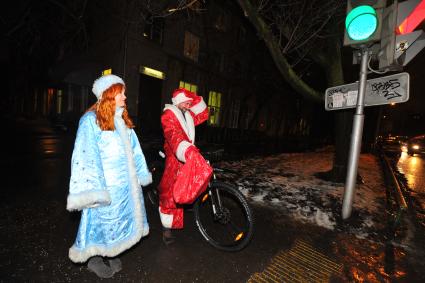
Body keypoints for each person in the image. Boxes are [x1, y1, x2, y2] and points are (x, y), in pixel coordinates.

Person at [66, 74, 152, 278]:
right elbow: (85, 157)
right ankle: (95, 258)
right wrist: (94, 190)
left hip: (125, 185)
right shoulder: (90, 121)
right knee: (98, 222)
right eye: (120, 93)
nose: (124, 97)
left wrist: (140, 174)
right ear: (108, 94)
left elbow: (135, 150)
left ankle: (113, 251)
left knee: (119, 221)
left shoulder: (121, 119)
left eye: (124, 93)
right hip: (105, 185)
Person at [158, 87, 213, 245]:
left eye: (190, 103)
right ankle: (166, 229)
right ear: (178, 102)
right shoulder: (168, 114)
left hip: (186, 153)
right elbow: (173, 134)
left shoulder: (188, 114)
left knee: (189, 183)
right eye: (186, 102)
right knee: (169, 192)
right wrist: (186, 149)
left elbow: (203, 114)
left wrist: (194, 98)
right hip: (175, 156)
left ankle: (185, 203)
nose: (189, 105)